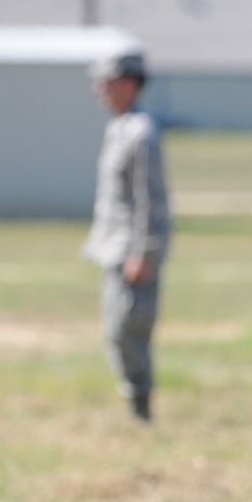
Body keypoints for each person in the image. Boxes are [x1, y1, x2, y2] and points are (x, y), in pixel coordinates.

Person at [82, 49, 170, 422]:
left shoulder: (141, 133)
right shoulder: (117, 127)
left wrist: (145, 254)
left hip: (131, 253)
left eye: (108, 80)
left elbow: (150, 201)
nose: (99, 88)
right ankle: (132, 403)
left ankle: (140, 409)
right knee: (115, 330)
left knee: (129, 330)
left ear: (130, 84)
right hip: (111, 248)